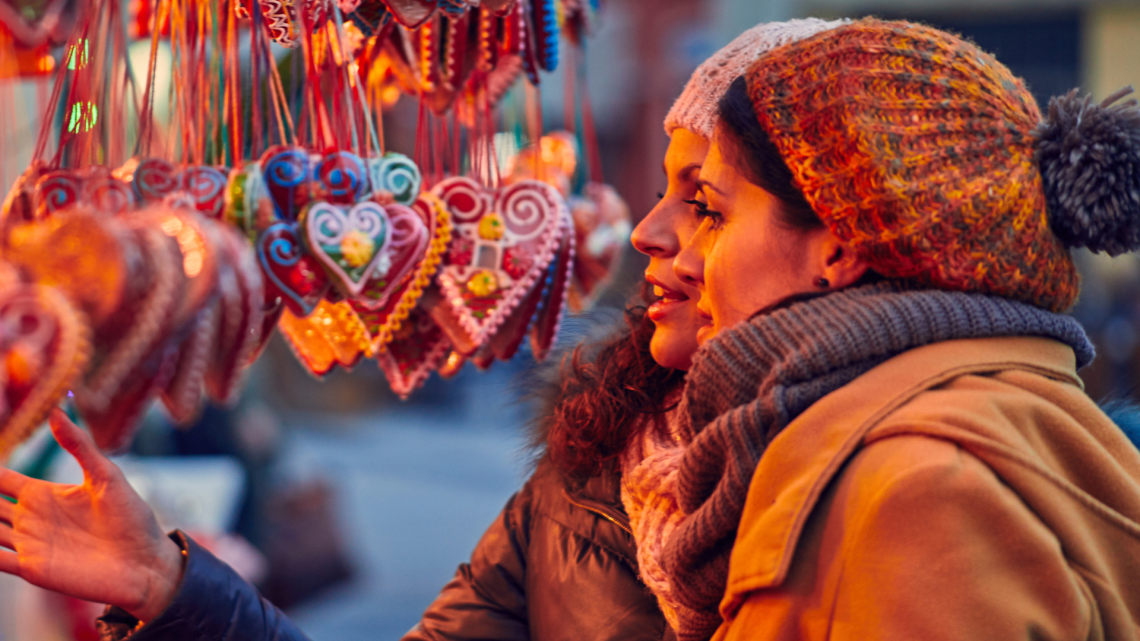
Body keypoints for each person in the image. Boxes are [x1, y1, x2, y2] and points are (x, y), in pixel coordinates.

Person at [0, 18, 846, 641]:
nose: (646, 232)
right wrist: (167, 582)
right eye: (661, 190)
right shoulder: (598, 475)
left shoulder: (906, 481)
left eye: (702, 202)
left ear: (842, 244)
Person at [630, 18, 1140, 641]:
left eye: (712, 212)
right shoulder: (964, 428)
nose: (689, 259)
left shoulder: (916, 491)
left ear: (840, 248)